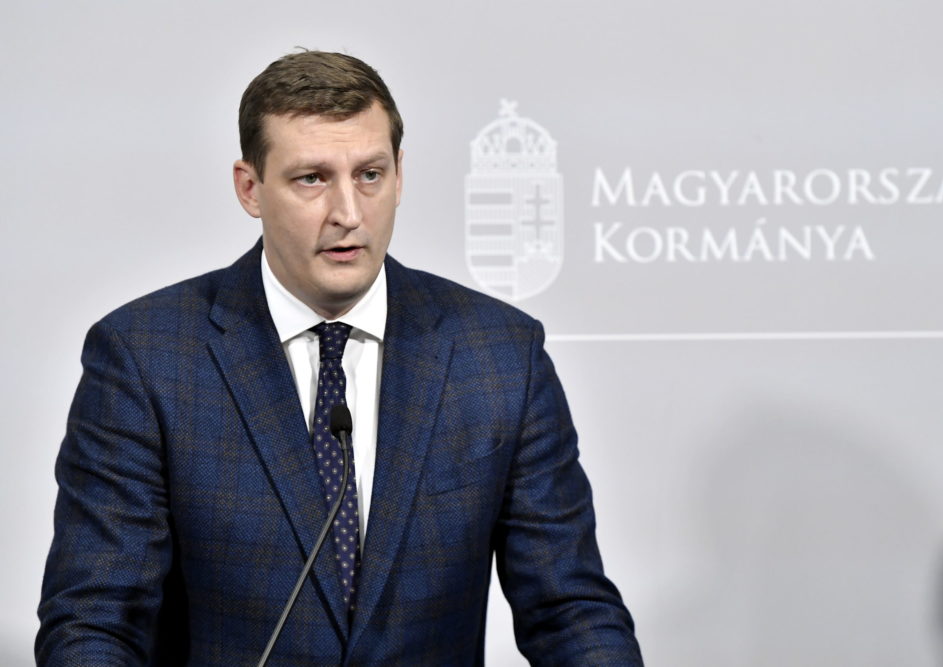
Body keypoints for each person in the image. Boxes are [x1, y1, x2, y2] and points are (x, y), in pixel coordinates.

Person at [36, 50, 642, 665]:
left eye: (370, 175)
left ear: (400, 176)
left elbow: (570, 613)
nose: (349, 214)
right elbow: (94, 622)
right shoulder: (147, 358)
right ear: (250, 188)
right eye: (312, 179)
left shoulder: (500, 355)